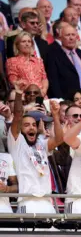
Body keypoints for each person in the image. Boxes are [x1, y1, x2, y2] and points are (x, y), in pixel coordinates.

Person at [8, 80, 64, 213]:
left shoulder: (41, 143)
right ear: (20, 129)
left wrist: (56, 115)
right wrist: (18, 94)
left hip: (47, 202)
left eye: (34, 125)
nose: (31, 127)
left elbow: (59, 139)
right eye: (26, 125)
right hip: (27, 202)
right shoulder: (17, 142)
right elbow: (17, 116)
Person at [45, 24, 81, 102]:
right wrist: (61, 102)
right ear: (61, 38)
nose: (71, 38)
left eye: (73, 35)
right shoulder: (53, 56)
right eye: (67, 35)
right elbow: (54, 82)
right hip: (68, 102)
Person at [6, 31, 48, 96]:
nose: (27, 44)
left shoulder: (39, 61)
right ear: (17, 45)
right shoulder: (12, 61)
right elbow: (13, 81)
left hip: (41, 96)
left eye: (29, 41)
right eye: (23, 41)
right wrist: (31, 93)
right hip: (25, 97)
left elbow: (44, 79)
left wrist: (43, 91)